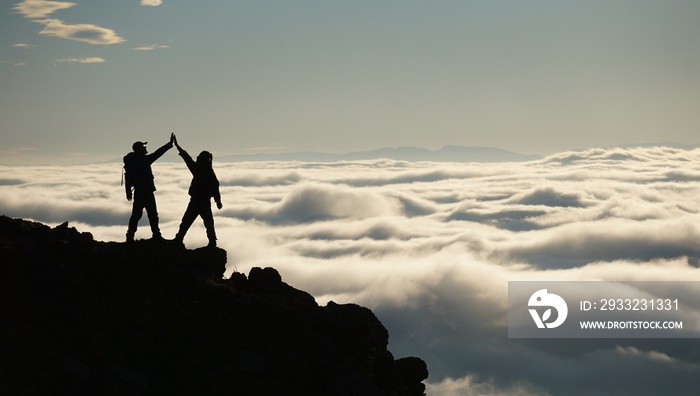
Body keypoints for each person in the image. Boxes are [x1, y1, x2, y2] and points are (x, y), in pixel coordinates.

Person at [172, 135, 223, 248]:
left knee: (187, 221)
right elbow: (216, 188)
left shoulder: (198, 170)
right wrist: (217, 201)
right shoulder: (209, 172)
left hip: (197, 201)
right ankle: (212, 243)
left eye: (199, 156)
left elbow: (187, 159)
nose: (197, 157)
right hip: (204, 202)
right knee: (208, 223)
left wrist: (178, 147)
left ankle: (179, 239)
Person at [123, 133, 174, 243]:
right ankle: (155, 235)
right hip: (145, 192)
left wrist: (128, 192)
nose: (145, 148)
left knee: (139, 215)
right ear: (139, 149)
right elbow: (158, 153)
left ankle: (131, 236)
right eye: (143, 147)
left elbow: (128, 178)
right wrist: (169, 145)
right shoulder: (143, 160)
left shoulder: (136, 161)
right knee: (151, 214)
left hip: (141, 192)